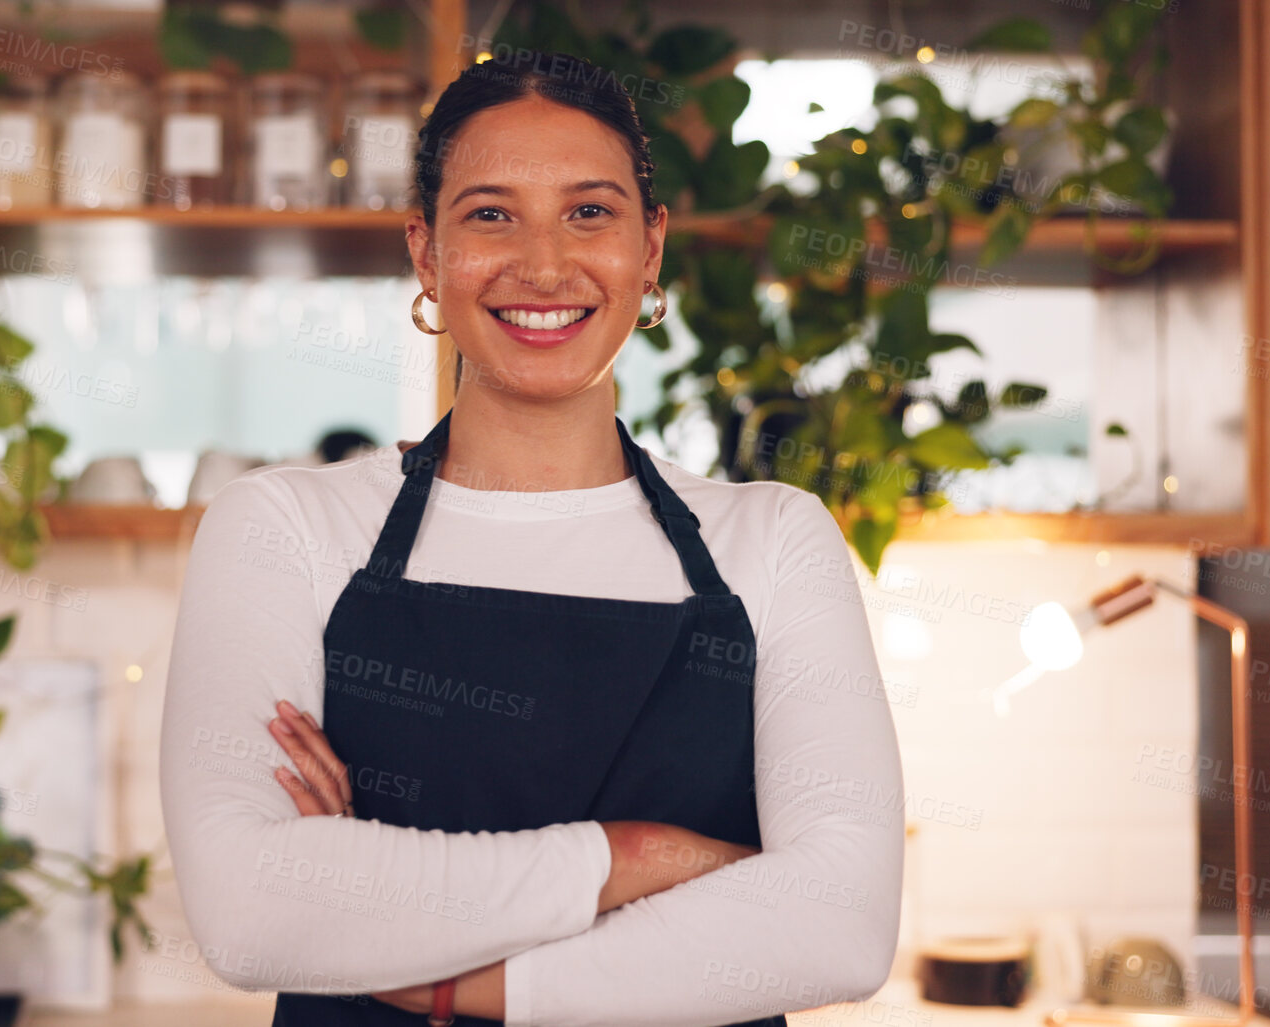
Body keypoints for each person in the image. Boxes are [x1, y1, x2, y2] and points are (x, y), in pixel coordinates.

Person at [159, 50, 903, 1027]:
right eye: (491, 214)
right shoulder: (285, 528)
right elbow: (252, 914)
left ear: (650, 250)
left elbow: (839, 928)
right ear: (427, 253)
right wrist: (638, 860)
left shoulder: (774, 540)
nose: (544, 265)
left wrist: (438, 971)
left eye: (590, 211)